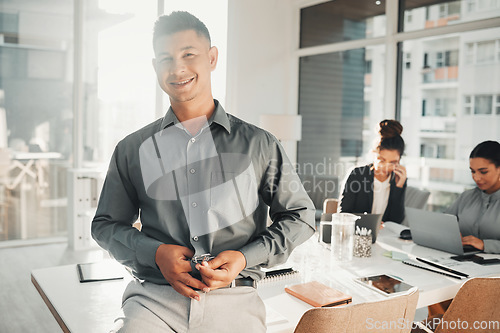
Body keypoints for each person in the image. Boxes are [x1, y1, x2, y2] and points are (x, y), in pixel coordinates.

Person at [91, 11, 315, 333]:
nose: (177, 67)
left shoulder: (260, 144)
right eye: (166, 58)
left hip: (236, 298)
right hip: (153, 299)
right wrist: (155, 253)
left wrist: (244, 257)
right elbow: (105, 225)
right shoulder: (131, 149)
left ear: (212, 58)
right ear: (155, 67)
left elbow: (301, 215)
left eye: (188, 55)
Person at [339, 119, 407, 223]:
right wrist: (369, 223)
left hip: (384, 236)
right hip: (358, 234)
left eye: (393, 162)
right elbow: (343, 214)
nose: (386, 167)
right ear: (373, 154)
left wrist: (399, 188)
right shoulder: (357, 175)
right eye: (382, 160)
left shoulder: (398, 179)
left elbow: (397, 221)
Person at [446, 140, 500, 253]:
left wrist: (485, 245)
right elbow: (444, 221)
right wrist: (451, 233)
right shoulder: (467, 197)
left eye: (483, 172)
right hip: (463, 262)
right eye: (473, 171)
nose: (476, 178)